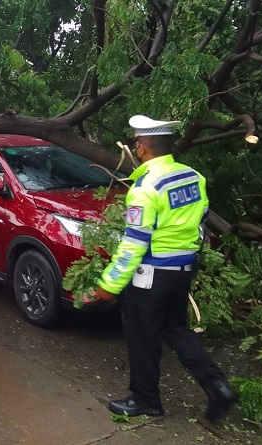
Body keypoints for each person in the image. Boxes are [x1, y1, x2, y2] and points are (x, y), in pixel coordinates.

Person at [80, 115, 237, 420]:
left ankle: (145, 399)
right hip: (184, 269)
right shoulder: (193, 176)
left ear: (141, 147)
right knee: (177, 328)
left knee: (142, 335)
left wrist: (108, 286)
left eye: (136, 143)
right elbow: (202, 216)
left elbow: (134, 244)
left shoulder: (145, 188)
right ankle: (218, 386)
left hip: (151, 276)